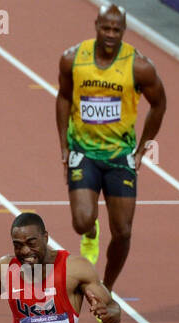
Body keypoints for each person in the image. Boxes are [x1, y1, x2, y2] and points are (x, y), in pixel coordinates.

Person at [57, 3, 166, 292]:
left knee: (123, 231)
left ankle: (107, 288)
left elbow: (159, 104)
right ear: (96, 25)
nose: (110, 34)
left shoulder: (139, 66)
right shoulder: (73, 59)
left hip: (120, 156)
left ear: (123, 32)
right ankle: (90, 232)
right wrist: (64, 146)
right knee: (81, 222)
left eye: (116, 30)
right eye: (105, 27)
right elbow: (64, 97)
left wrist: (143, 149)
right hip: (84, 151)